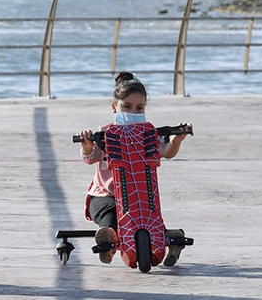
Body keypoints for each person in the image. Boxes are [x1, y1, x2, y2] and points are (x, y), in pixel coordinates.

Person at [76, 72, 192, 266]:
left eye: (140, 108)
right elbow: (92, 157)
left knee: (149, 217)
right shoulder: (106, 134)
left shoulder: (148, 134)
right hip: (106, 195)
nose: (134, 112)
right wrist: (87, 144)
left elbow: (166, 151)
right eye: (127, 107)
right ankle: (108, 238)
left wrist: (176, 139)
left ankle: (169, 238)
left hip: (139, 196)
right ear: (115, 107)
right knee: (110, 215)